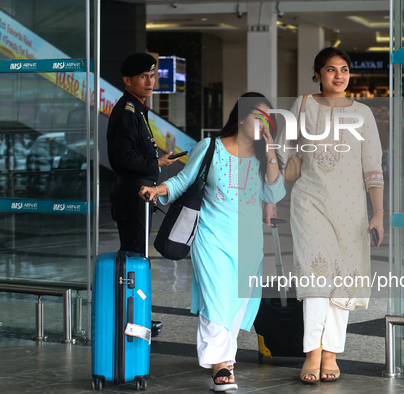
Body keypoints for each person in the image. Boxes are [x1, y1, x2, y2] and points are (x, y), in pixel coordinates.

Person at [139, 92, 285, 392]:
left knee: (238, 302)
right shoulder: (211, 147)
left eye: (267, 118)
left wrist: (271, 149)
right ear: (242, 117)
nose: (262, 122)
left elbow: (273, 194)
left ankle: (225, 357)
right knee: (217, 297)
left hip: (248, 242)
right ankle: (219, 365)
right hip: (211, 236)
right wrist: (159, 190)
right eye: (257, 115)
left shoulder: (263, 157)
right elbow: (184, 181)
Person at [275, 47, 384, 383]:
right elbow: (282, 153)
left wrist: (378, 211)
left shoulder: (363, 113)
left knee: (345, 277)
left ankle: (331, 352)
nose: (339, 76)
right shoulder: (303, 105)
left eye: (345, 69)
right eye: (331, 70)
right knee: (316, 274)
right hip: (310, 202)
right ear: (318, 74)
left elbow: (372, 167)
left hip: (351, 207)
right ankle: (312, 352)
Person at [106, 52, 178, 336]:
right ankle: (132, 321)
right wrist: (156, 163)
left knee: (136, 258)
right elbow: (122, 158)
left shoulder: (136, 109)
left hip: (139, 194)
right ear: (127, 80)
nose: (150, 82)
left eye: (152, 76)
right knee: (134, 259)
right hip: (132, 194)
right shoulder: (126, 111)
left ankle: (136, 317)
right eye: (143, 77)